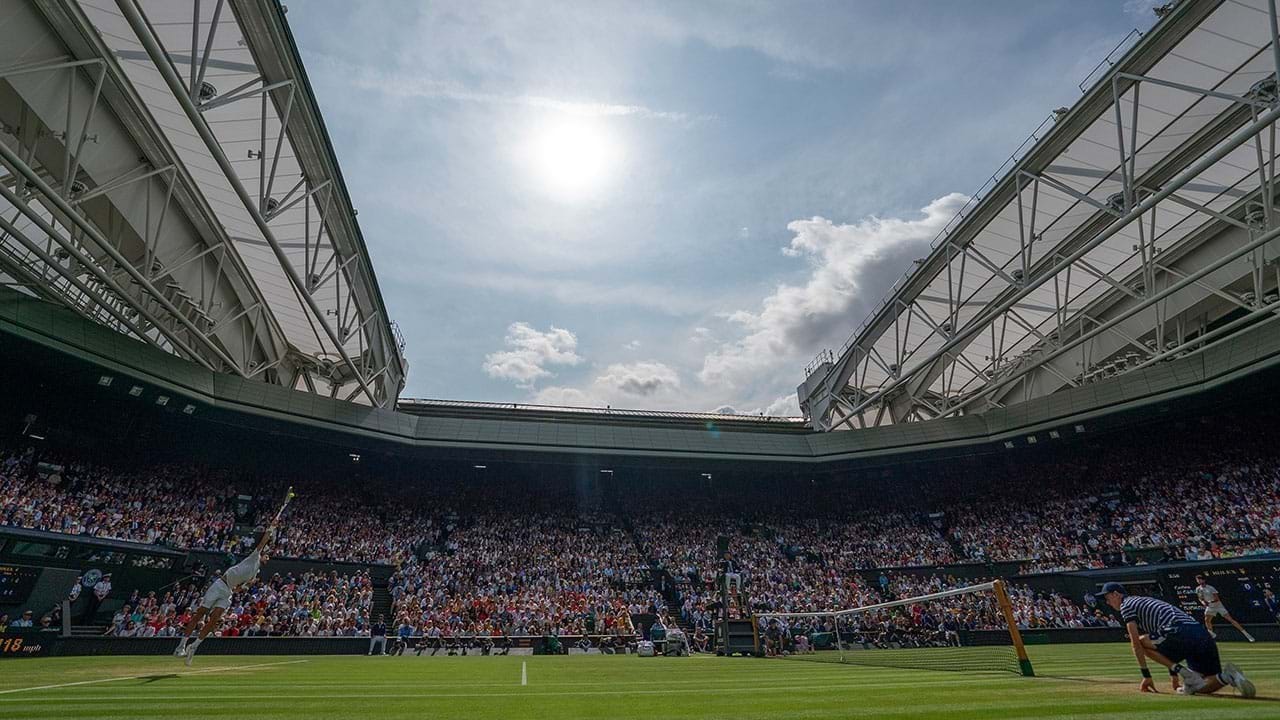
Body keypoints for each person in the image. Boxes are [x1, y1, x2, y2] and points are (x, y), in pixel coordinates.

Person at [1096, 582, 1254, 697]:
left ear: (1116, 594)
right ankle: (1228, 676)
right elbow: (1167, 645)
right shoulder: (1143, 603)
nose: (1107, 602)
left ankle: (1187, 673)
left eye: (1107, 598)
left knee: (1140, 640)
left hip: (1180, 630)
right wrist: (1174, 677)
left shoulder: (1127, 605)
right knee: (1198, 687)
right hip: (1202, 635)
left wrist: (1146, 676)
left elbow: (1135, 643)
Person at [173, 527, 275, 665]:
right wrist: (271, 529)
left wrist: (244, 587)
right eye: (267, 555)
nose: (267, 558)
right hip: (219, 585)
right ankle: (181, 646)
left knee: (214, 620)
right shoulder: (254, 557)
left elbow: (239, 588)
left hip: (228, 591)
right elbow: (263, 541)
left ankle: (194, 646)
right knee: (200, 614)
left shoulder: (254, 575)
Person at [1195, 575, 1255, 642]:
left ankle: (1247, 635)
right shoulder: (1198, 589)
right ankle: (1211, 636)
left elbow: (1217, 599)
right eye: (1197, 580)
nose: (1199, 581)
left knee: (1231, 620)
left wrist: (1209, 602)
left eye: (1200, 579)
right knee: (1207, 620)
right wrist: (1203, 603)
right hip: (1210, 607)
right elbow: (1200, 598)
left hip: (1218, 606)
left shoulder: (1211, 588)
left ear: (1204, 580)